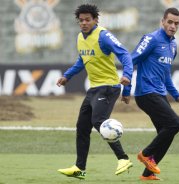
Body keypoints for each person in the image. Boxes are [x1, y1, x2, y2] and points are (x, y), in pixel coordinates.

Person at [57, 4, 133, 179]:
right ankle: (79, 168)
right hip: (95, 88)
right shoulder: (80, 37)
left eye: (87, 20)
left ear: (96, 20)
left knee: (99, 121)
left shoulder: (103, 36)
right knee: (82, 127)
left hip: (109, 87)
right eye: (81, 20)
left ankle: (123, 159)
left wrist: (127, 76)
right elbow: (82, 60)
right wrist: (67, 76)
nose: (84, 23)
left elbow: (125, 55)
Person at [122, 7, 179, 181]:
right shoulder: (151, 39)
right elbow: (131, 60)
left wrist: (176, 96)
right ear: (162, 21)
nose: (173, 26)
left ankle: (148, 174)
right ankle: (145, 154)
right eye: (170, 22)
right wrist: (127, 89)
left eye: (177, 23)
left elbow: (166, 74)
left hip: (159, 95)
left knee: (166, 132)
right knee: (175, 124)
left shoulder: (173, 45)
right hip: (146, 94)